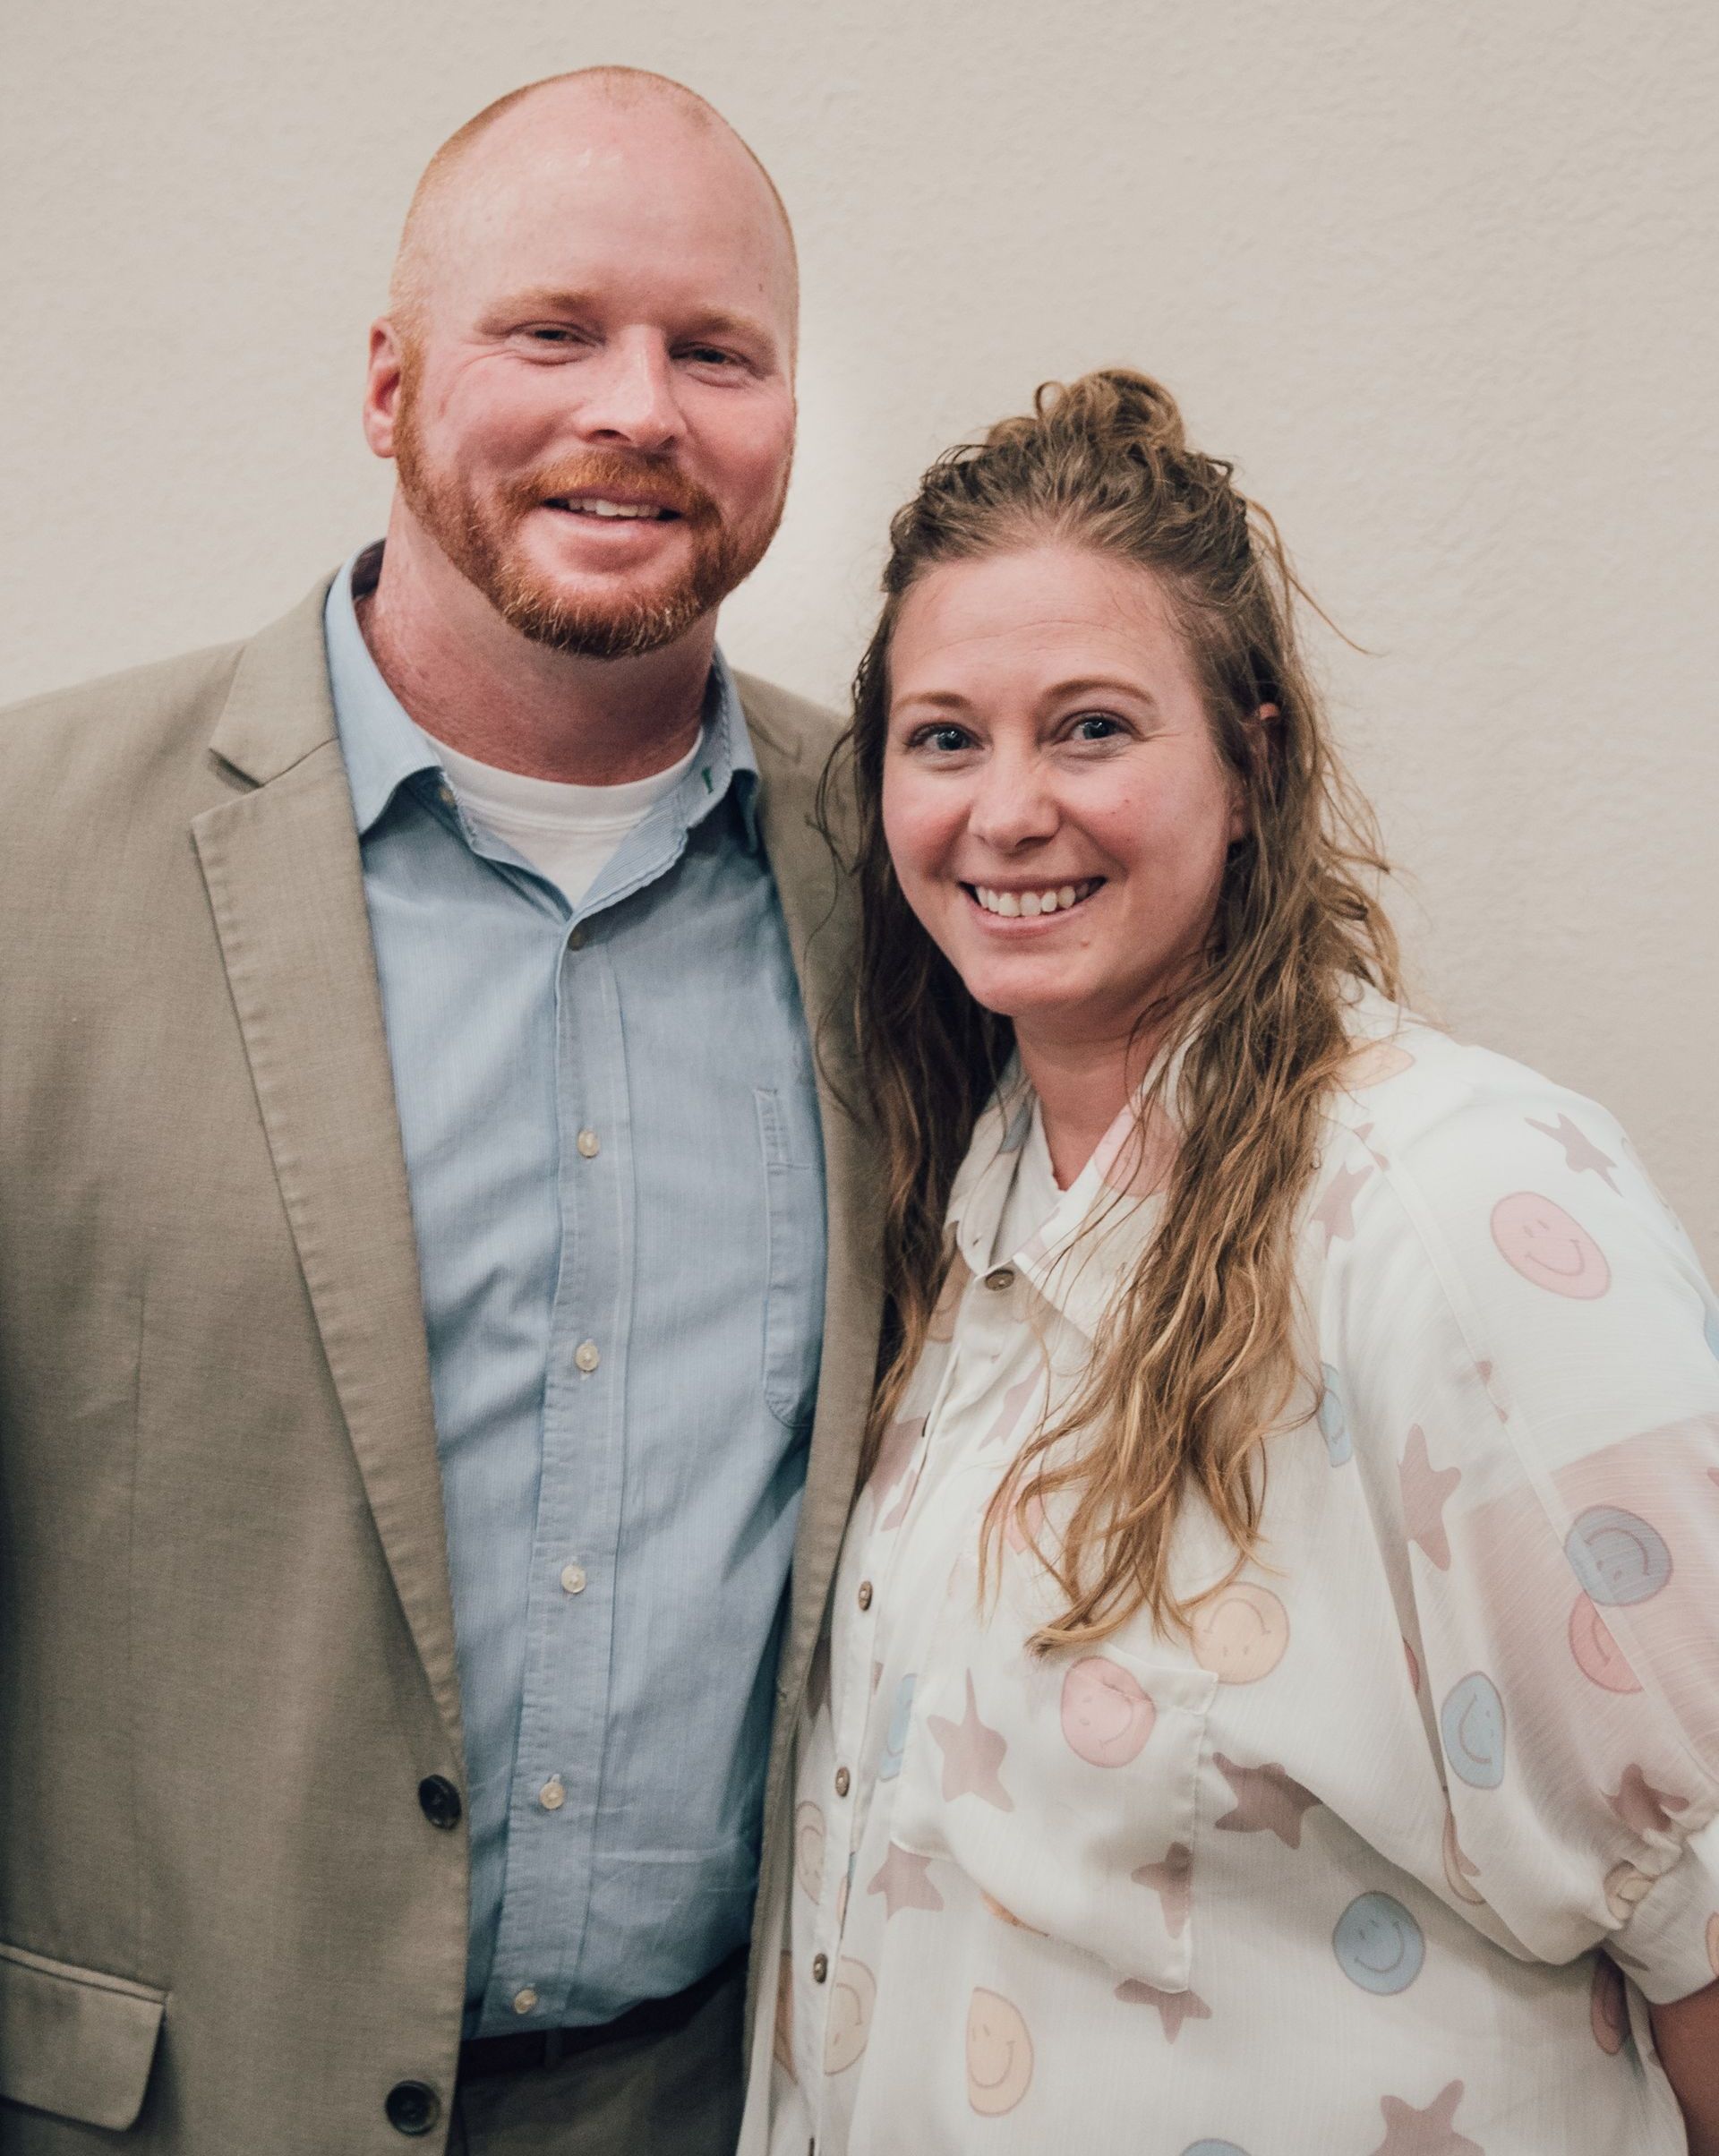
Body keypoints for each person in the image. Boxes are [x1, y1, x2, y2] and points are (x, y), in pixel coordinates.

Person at [0, 69, 881, 2156]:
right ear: (391, 380)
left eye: (716, 350)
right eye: (553, 330)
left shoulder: (906, 883)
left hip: (713, 2103)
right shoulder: (29, 860)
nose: (639, 406)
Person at [745, 369, 1719, 2155]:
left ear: (1253, 762)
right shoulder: (976, 1213)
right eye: (945, 737)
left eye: (1094, 727)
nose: (1007, 809)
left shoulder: (1451, 1206)